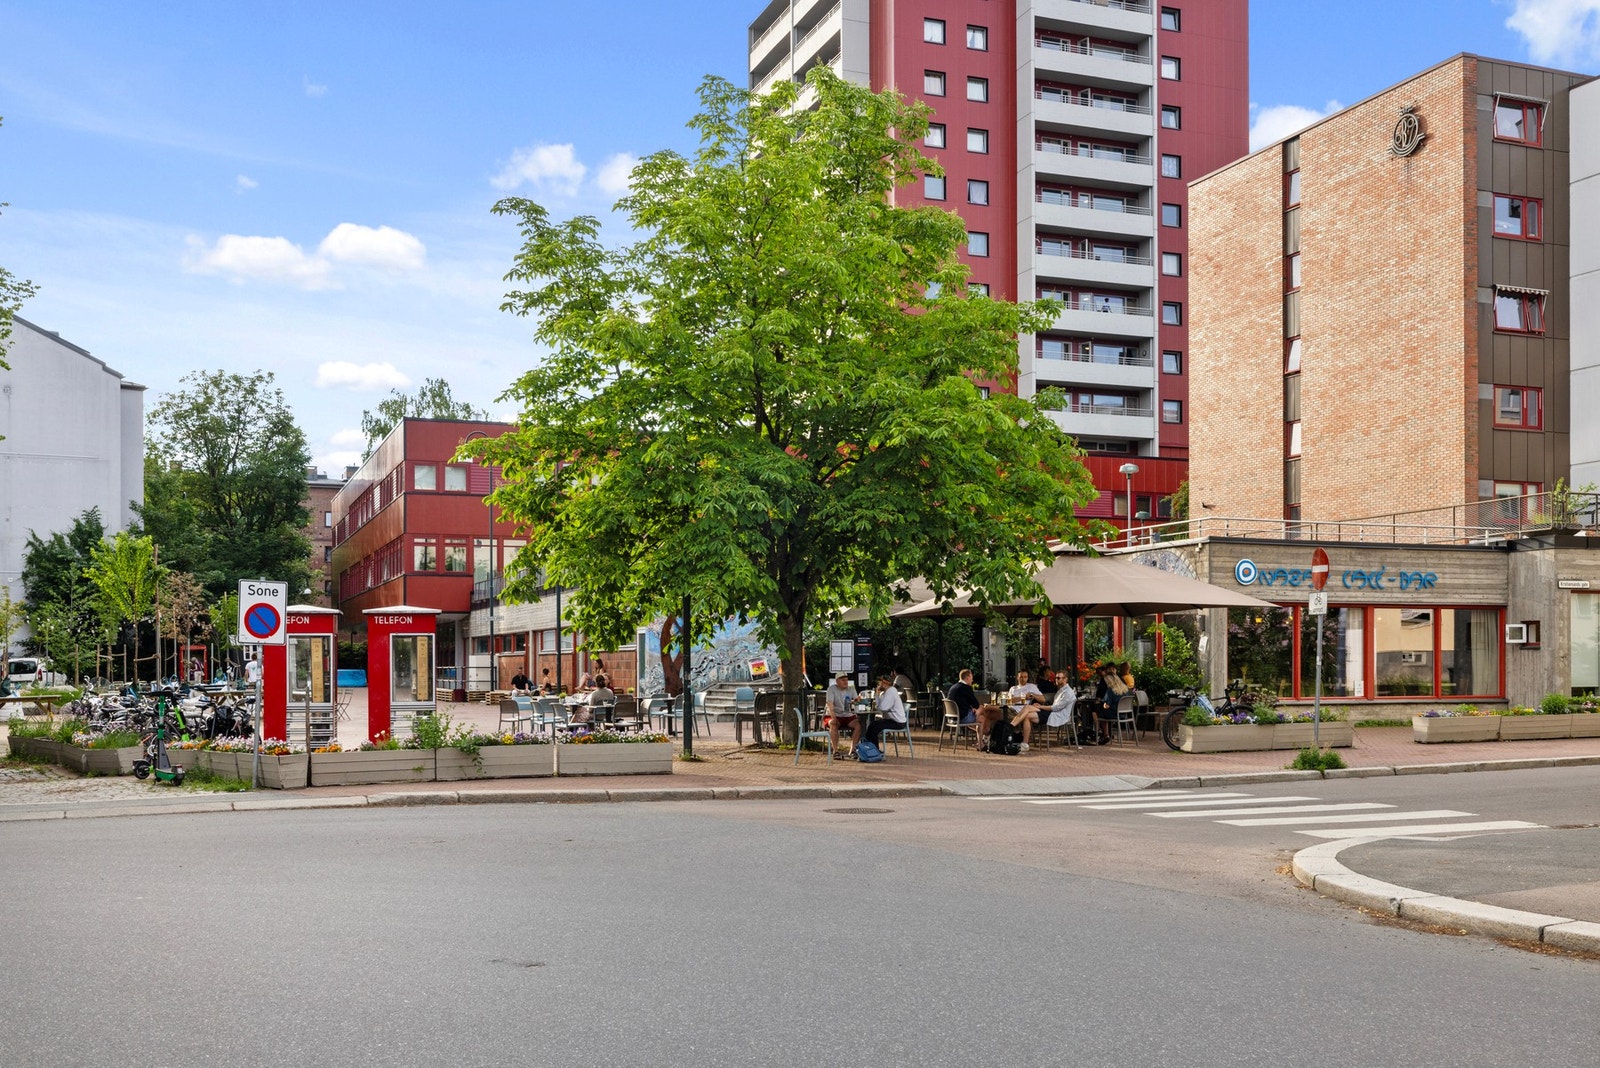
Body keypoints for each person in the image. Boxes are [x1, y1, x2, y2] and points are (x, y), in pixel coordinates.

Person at [862, 674, 907, 752]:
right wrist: (877, 694)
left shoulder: (891, 691)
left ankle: (874, 749)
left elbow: (883, 707)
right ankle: (870, 748)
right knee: (872, 725)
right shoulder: (886, 692)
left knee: (874, 727)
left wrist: (878, 705)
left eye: (879, 683)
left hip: (897, 722)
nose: (878, 685)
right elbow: (880, 705)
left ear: (885, 683)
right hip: (892, 719)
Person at [824, 673, 861, 756]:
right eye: (843, 680)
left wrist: (857, 700)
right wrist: (834, 718)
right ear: (837, 681)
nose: (846, 682)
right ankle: (835, 751)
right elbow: (830, 705)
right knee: (833, 724)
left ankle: (853, 750)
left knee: (858, 725)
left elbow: (856, 700)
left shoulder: (851, 689)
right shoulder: (831, 689)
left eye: (847, 680)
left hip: (847, 714)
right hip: (834, 714)